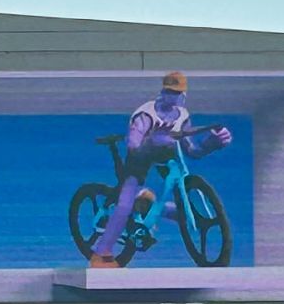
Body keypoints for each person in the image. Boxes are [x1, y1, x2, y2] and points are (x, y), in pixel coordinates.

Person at [89, 71, 232, 267]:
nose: (174, 97)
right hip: (140, 159)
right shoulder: (146, 114)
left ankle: (149, 205)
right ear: (162, 92)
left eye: (178, 93)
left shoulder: (182, 115)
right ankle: (101, 252)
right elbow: (133, 146)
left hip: (166, 157)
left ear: (184, 95)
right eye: (169, 92)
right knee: (124, 206)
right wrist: (156, 140)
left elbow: (192, 151)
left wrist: (214, 142)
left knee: (180, 207)